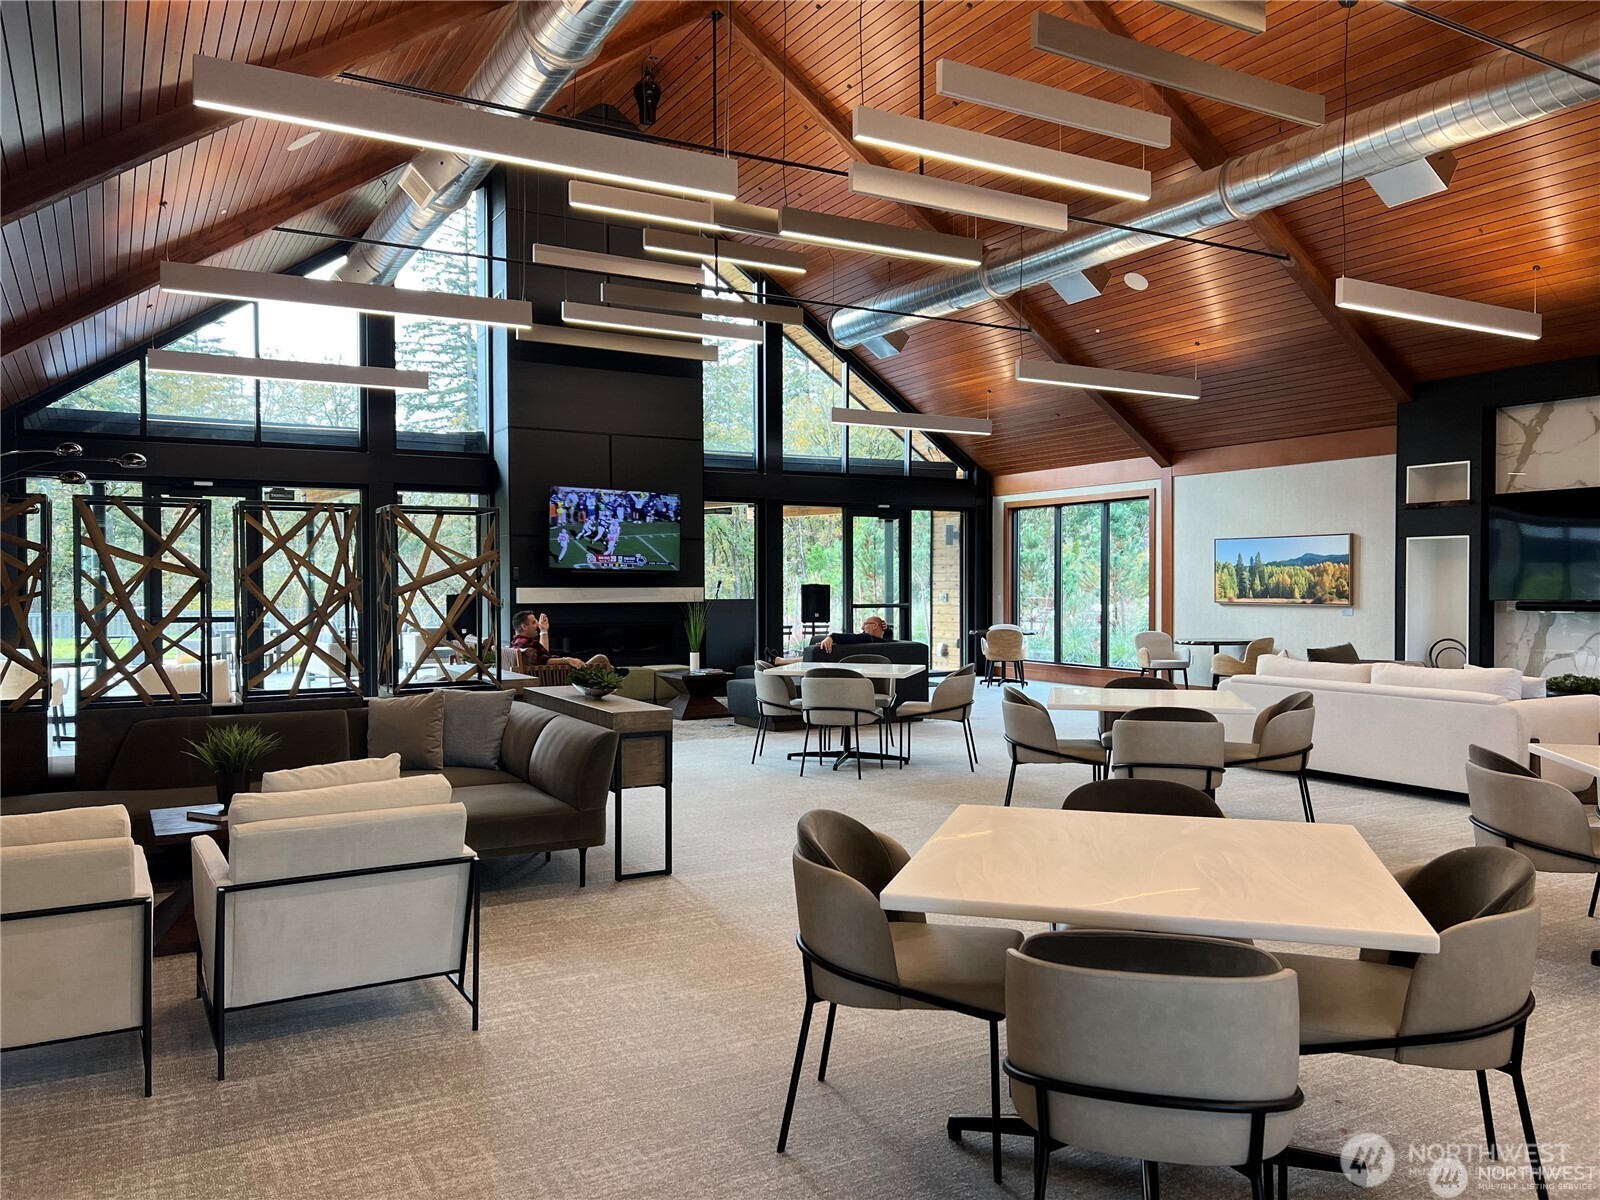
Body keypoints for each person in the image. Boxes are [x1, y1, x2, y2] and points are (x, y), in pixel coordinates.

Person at [508, 611, 614, 672]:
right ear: (524, 626)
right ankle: (614, 684)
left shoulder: (517, 643)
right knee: (601, 658)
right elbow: (545, 661)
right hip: (561, 675)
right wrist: (568, 660)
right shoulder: (527, 644)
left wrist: (544, 631)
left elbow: (543, 655)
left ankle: (614, 679)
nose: (537, 625)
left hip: (554, 673)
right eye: (533, 622)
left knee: (604, 662)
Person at [773, 614, 891, 663]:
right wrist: (886, 629)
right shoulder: (885, 642)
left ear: (875, 626)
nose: (862, 627)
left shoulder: (868, 638)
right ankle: (781, 661)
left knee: (822, 651)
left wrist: (832, 637)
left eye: (865, 624)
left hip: (839, 663)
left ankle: (781, 661)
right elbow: (887, 635)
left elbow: (852, 637)